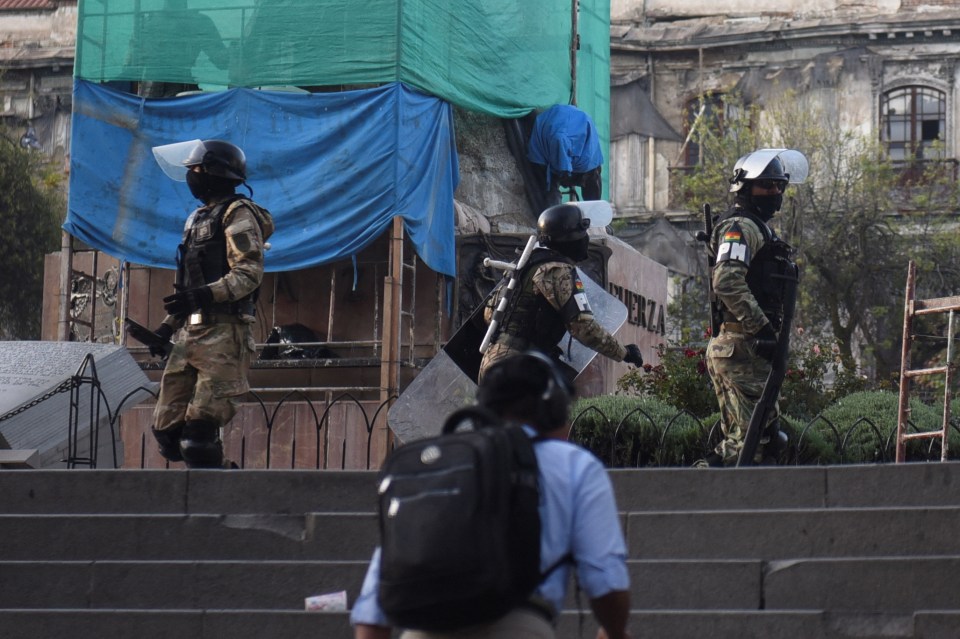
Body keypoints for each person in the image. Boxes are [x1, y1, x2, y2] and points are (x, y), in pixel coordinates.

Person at [351, 350, 632, 639]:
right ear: (554, 410)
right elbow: (606, 582)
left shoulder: (441, 466)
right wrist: (614, 632)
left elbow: (374, 613)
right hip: (519, 626)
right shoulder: (575, 464)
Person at [149, 139, 275, 469]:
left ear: (216, 173)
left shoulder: (238, 214)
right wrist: (165, 328)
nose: (191, 176)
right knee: (167, 435)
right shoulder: (196, 220)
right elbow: (189, 288)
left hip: (225, 333)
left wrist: (206, 295)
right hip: (190, 335)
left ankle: (221, 498)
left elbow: (249, 273)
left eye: (196, 169)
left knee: (197, 440)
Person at [703, 151, 797, 467]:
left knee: (764, 441)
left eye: (779, 186)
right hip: (743, 344)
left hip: (750, 347)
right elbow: (727, 280)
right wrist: (763, 329)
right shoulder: (741, 227)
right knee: (748, 447)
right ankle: (682, 492)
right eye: (766, 185)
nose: (775, 193)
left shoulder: (757, 228)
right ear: (744, 188)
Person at [478, 203, 643, 381]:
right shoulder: (557, 271)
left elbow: (489, 314)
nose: (585, 239)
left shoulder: (523, 266)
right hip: (521, 367)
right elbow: (584, 328)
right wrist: (624, 352)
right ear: (570, 239)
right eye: (582, 234)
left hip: (492, 360)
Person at [125, 0, 231, 98]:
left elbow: (130, 64)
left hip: (158, 93)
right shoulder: (199, 21)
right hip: (172, 93)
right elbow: (222, 61)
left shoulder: (147, 21)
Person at [527, 104, 604, 209]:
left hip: (582, 155)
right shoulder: (545, 146)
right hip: (548, 151)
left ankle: (594, 212)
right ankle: (552, 219)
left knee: (592, 181)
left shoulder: (588, 157)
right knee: (549, 189)